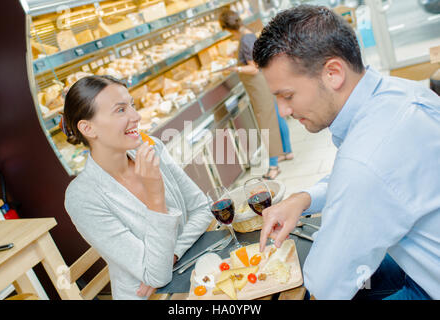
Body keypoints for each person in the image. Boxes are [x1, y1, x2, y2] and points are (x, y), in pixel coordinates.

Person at [253, 5, 440, 300]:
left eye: (287, 96)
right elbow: (378, 181)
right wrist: (304, 199)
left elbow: (327, 285)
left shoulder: (366, 160)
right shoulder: (399, 93)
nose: (284, 111)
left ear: (333, 73)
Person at [62, 75, 213, 300]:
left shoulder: (152, 149)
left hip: (193, 274)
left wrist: (172, 254)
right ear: (88, 128)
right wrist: (155, 195)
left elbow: (203, 208)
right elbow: (155, 277)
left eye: (132, 105)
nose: (136, 116)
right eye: (121, 110)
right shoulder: (82, 197)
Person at [219, 9, 294, 180]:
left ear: (228, 28)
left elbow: (253, 68)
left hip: (258, 86)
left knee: (266, 122)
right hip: (264, 83)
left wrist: (235, 68)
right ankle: (286, 151)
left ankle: (274, 166)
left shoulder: (245, 39)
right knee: (276, 116)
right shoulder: (248, 34)